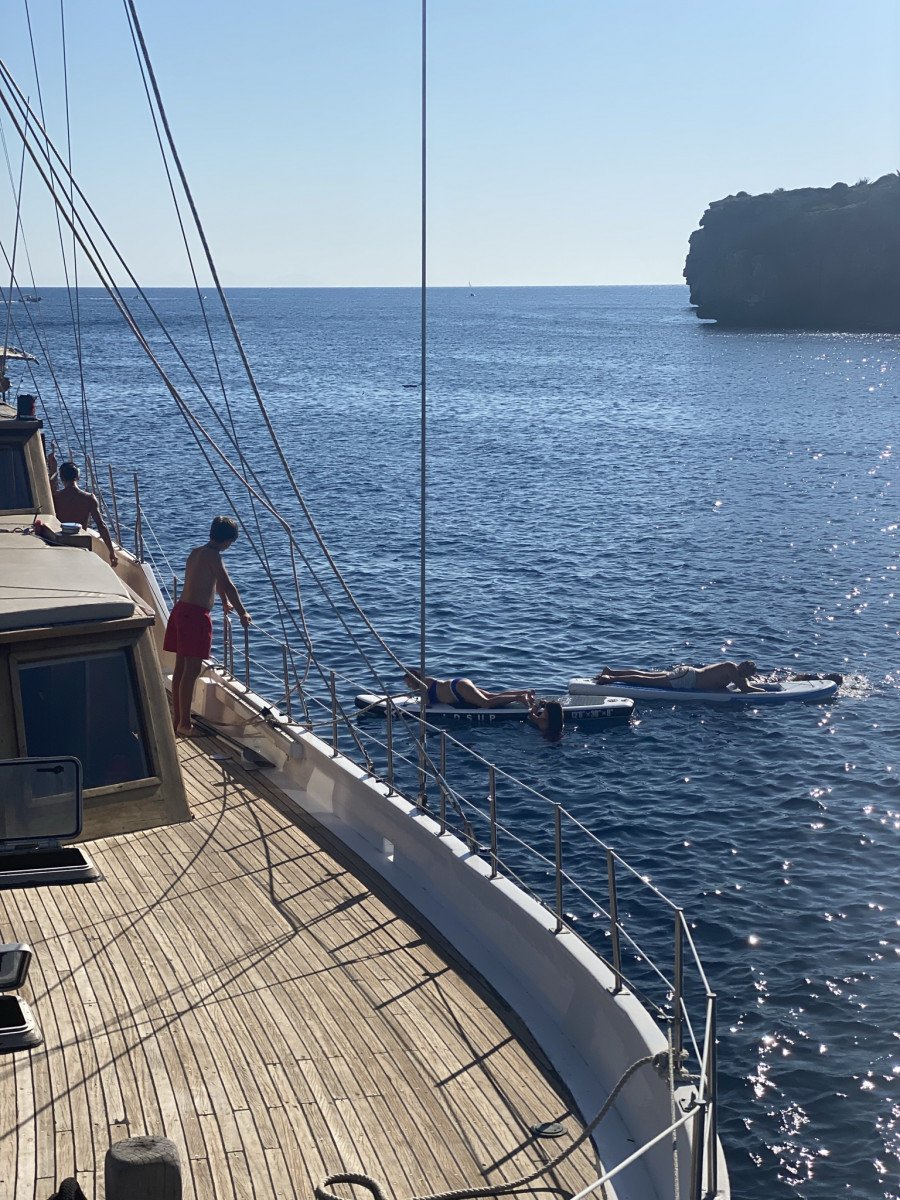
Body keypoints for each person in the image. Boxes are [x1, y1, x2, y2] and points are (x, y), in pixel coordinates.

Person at [165, 515, 251, 737]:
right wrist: (243, 612)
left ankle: (177, 719)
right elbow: (228, 584)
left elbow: (212, 582)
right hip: (194, 616)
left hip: (180, 610)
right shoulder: (214, 556)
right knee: (191, 670)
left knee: (181, 668)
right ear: (227, 541)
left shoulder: (197, 552)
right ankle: (185, 724)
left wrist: (223, 601)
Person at [52, 461, 118, 566]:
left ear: (61, 478)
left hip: (59, 543)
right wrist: (112, 552)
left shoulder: (55, 498)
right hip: (81, 544)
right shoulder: (89, 498)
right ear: (78, 476)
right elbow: (101, 526)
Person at [595, 659, 765, 693]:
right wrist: (764, 691)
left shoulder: (733, 668)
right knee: (646, 681)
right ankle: (611, 679)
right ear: (742, 668)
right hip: (687, 679)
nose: (744, 674)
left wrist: (756, 683)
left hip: (687, 674)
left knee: (646, 675)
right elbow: (745, 689)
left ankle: (611, 672)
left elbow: (744, 683)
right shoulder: (732, 670)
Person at [403, 668, 534, 709]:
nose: (408, 686)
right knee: (490, 696)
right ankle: (525, 692)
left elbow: (426, 704)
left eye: (409, 683)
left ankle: (519, 698)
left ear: (415, 677)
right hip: (458, 687)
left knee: (486, 703)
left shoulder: (423, 684)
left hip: (457, 688)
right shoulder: (423, 684)